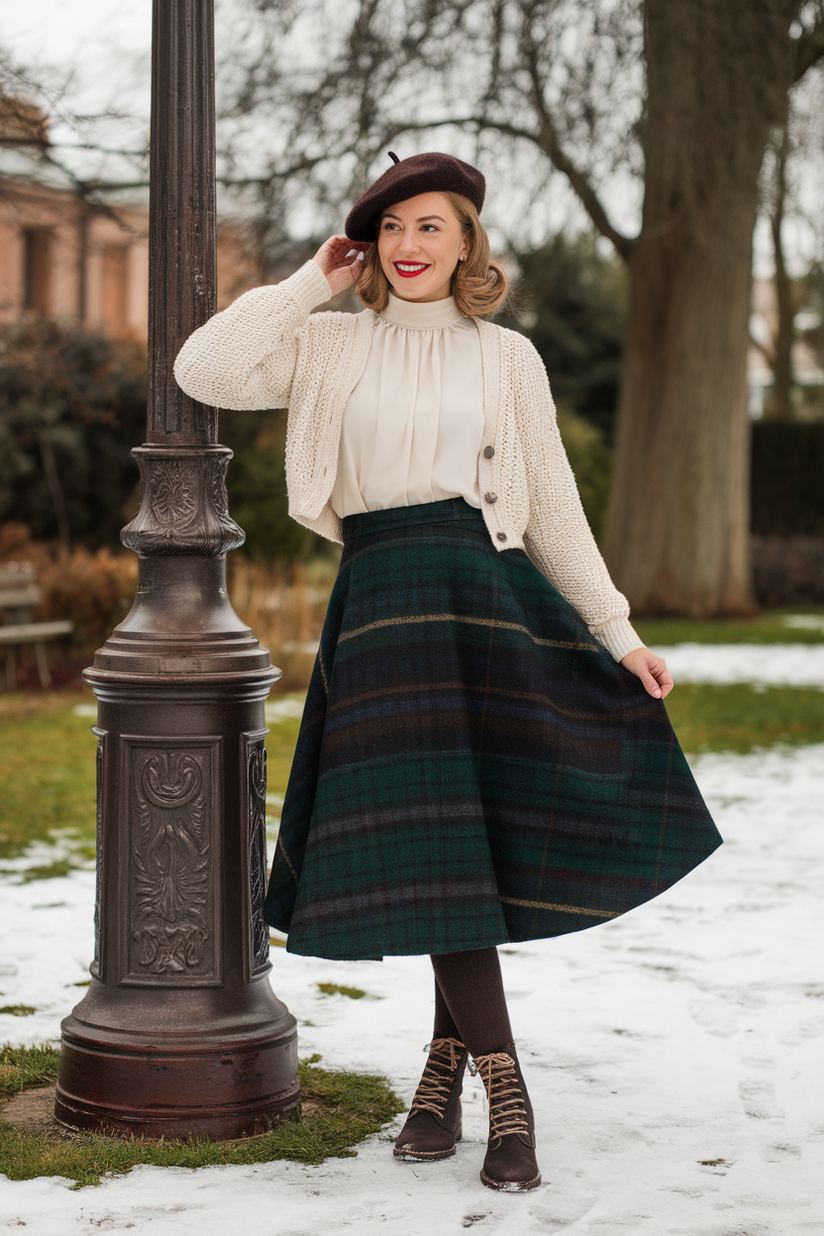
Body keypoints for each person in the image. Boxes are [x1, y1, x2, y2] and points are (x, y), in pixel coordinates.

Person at [174, 151, 722, 1193]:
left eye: (430, 227)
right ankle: (497, 1085)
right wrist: (307, 283)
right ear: (368, 246)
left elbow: (551, 505)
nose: (408, 247)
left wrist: (616, 633)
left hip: (485, 603)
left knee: (458, 848)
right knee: (432, 846)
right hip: (383, 609)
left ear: (467, 239)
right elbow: (203, 371)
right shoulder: (331, 345)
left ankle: (449, 1075)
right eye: (390, 230)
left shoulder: (506, 358)